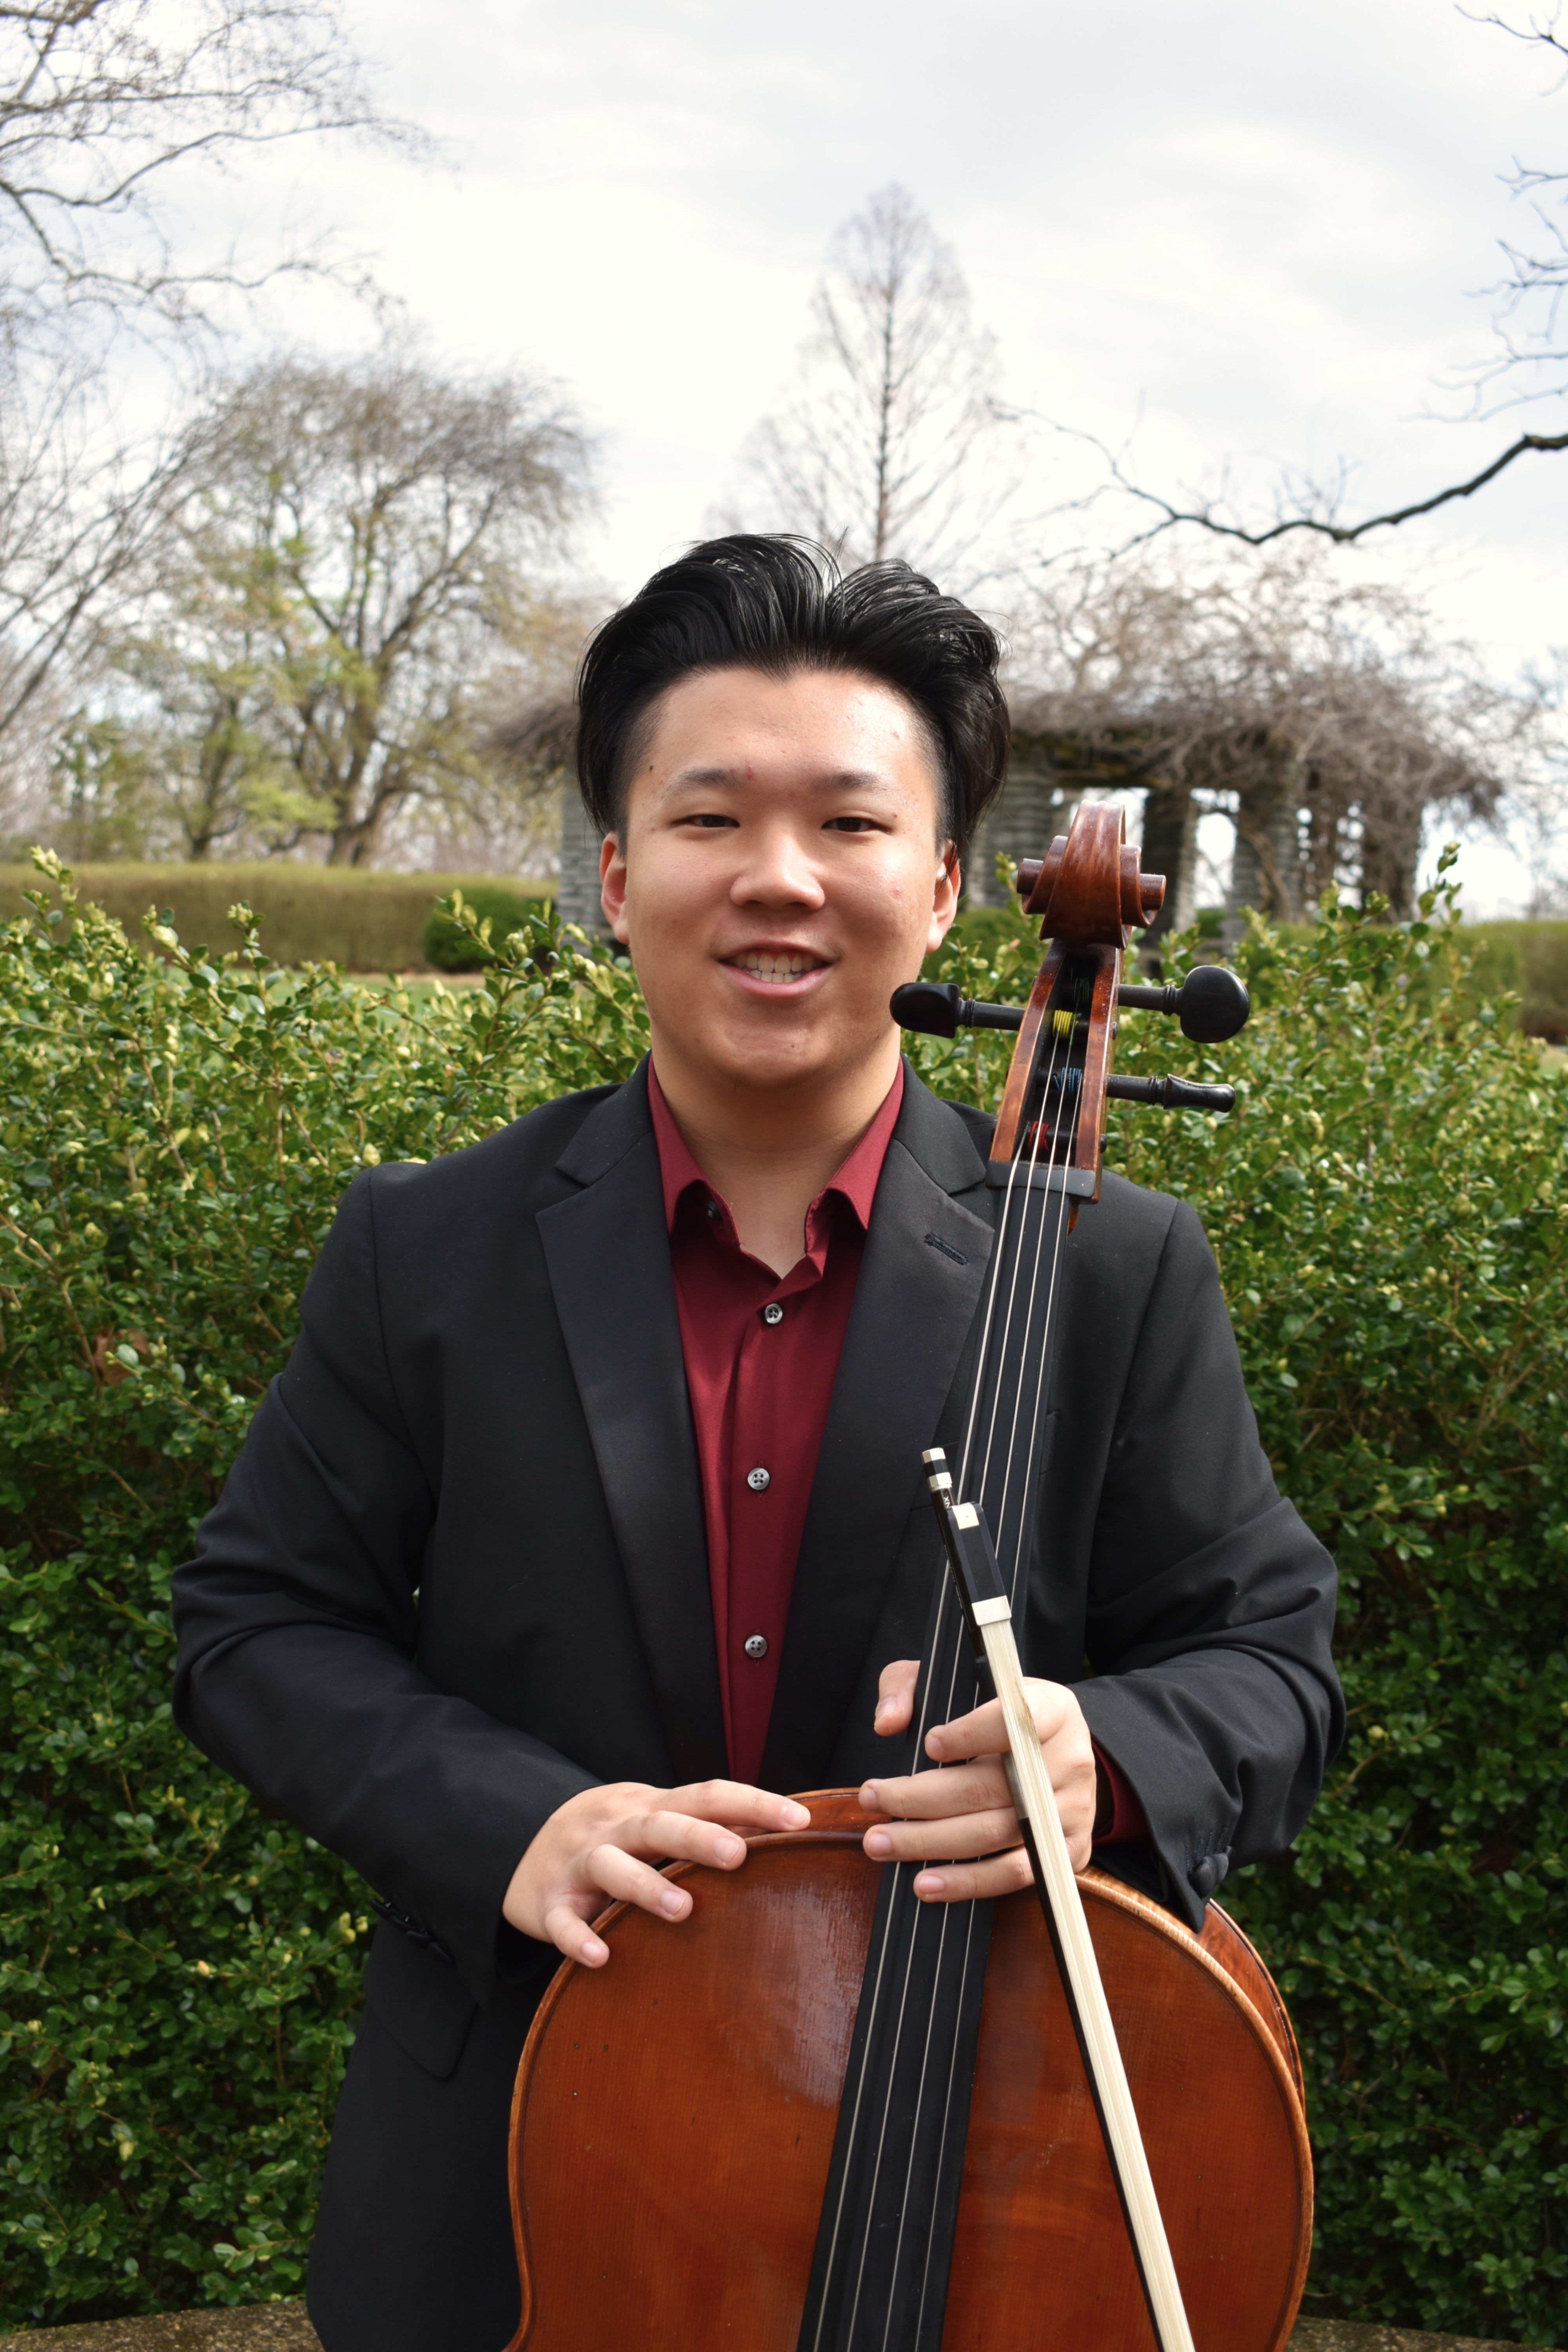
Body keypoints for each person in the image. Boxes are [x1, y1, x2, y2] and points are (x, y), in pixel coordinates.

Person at [171, 535, 1342, 2352]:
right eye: (712, 821)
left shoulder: (1120, 1267)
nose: (779, 883)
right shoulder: (431, 1247)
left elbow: (1272, 1663)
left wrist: (1103, 1747)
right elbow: (253, 1625)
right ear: (620, 874)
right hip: (521, 2178)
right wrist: (516, 1820)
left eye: (850, 827)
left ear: (947, 886)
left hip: (989, 2171)